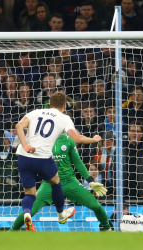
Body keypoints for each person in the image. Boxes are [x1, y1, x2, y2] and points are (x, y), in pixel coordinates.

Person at [15, 92, 104, 230]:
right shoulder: (64, 118)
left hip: (24, 156)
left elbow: (18, 126)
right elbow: (78, 139)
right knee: (56, 182)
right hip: (42, 157)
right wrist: (95, 139)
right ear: (64, 106)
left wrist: (25, 145)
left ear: (49, 104)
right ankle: (61, 214)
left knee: (29, 193)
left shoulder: (35, 112)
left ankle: (27, 215)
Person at [10, 133, 111, 231]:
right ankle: (10, 233)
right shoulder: (40, 141)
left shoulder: (67, 140)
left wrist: (90, 181)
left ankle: (108, 231)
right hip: (49, 183)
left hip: (70, 182)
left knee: (96, 206)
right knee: (29, 212)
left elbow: (78, 162)